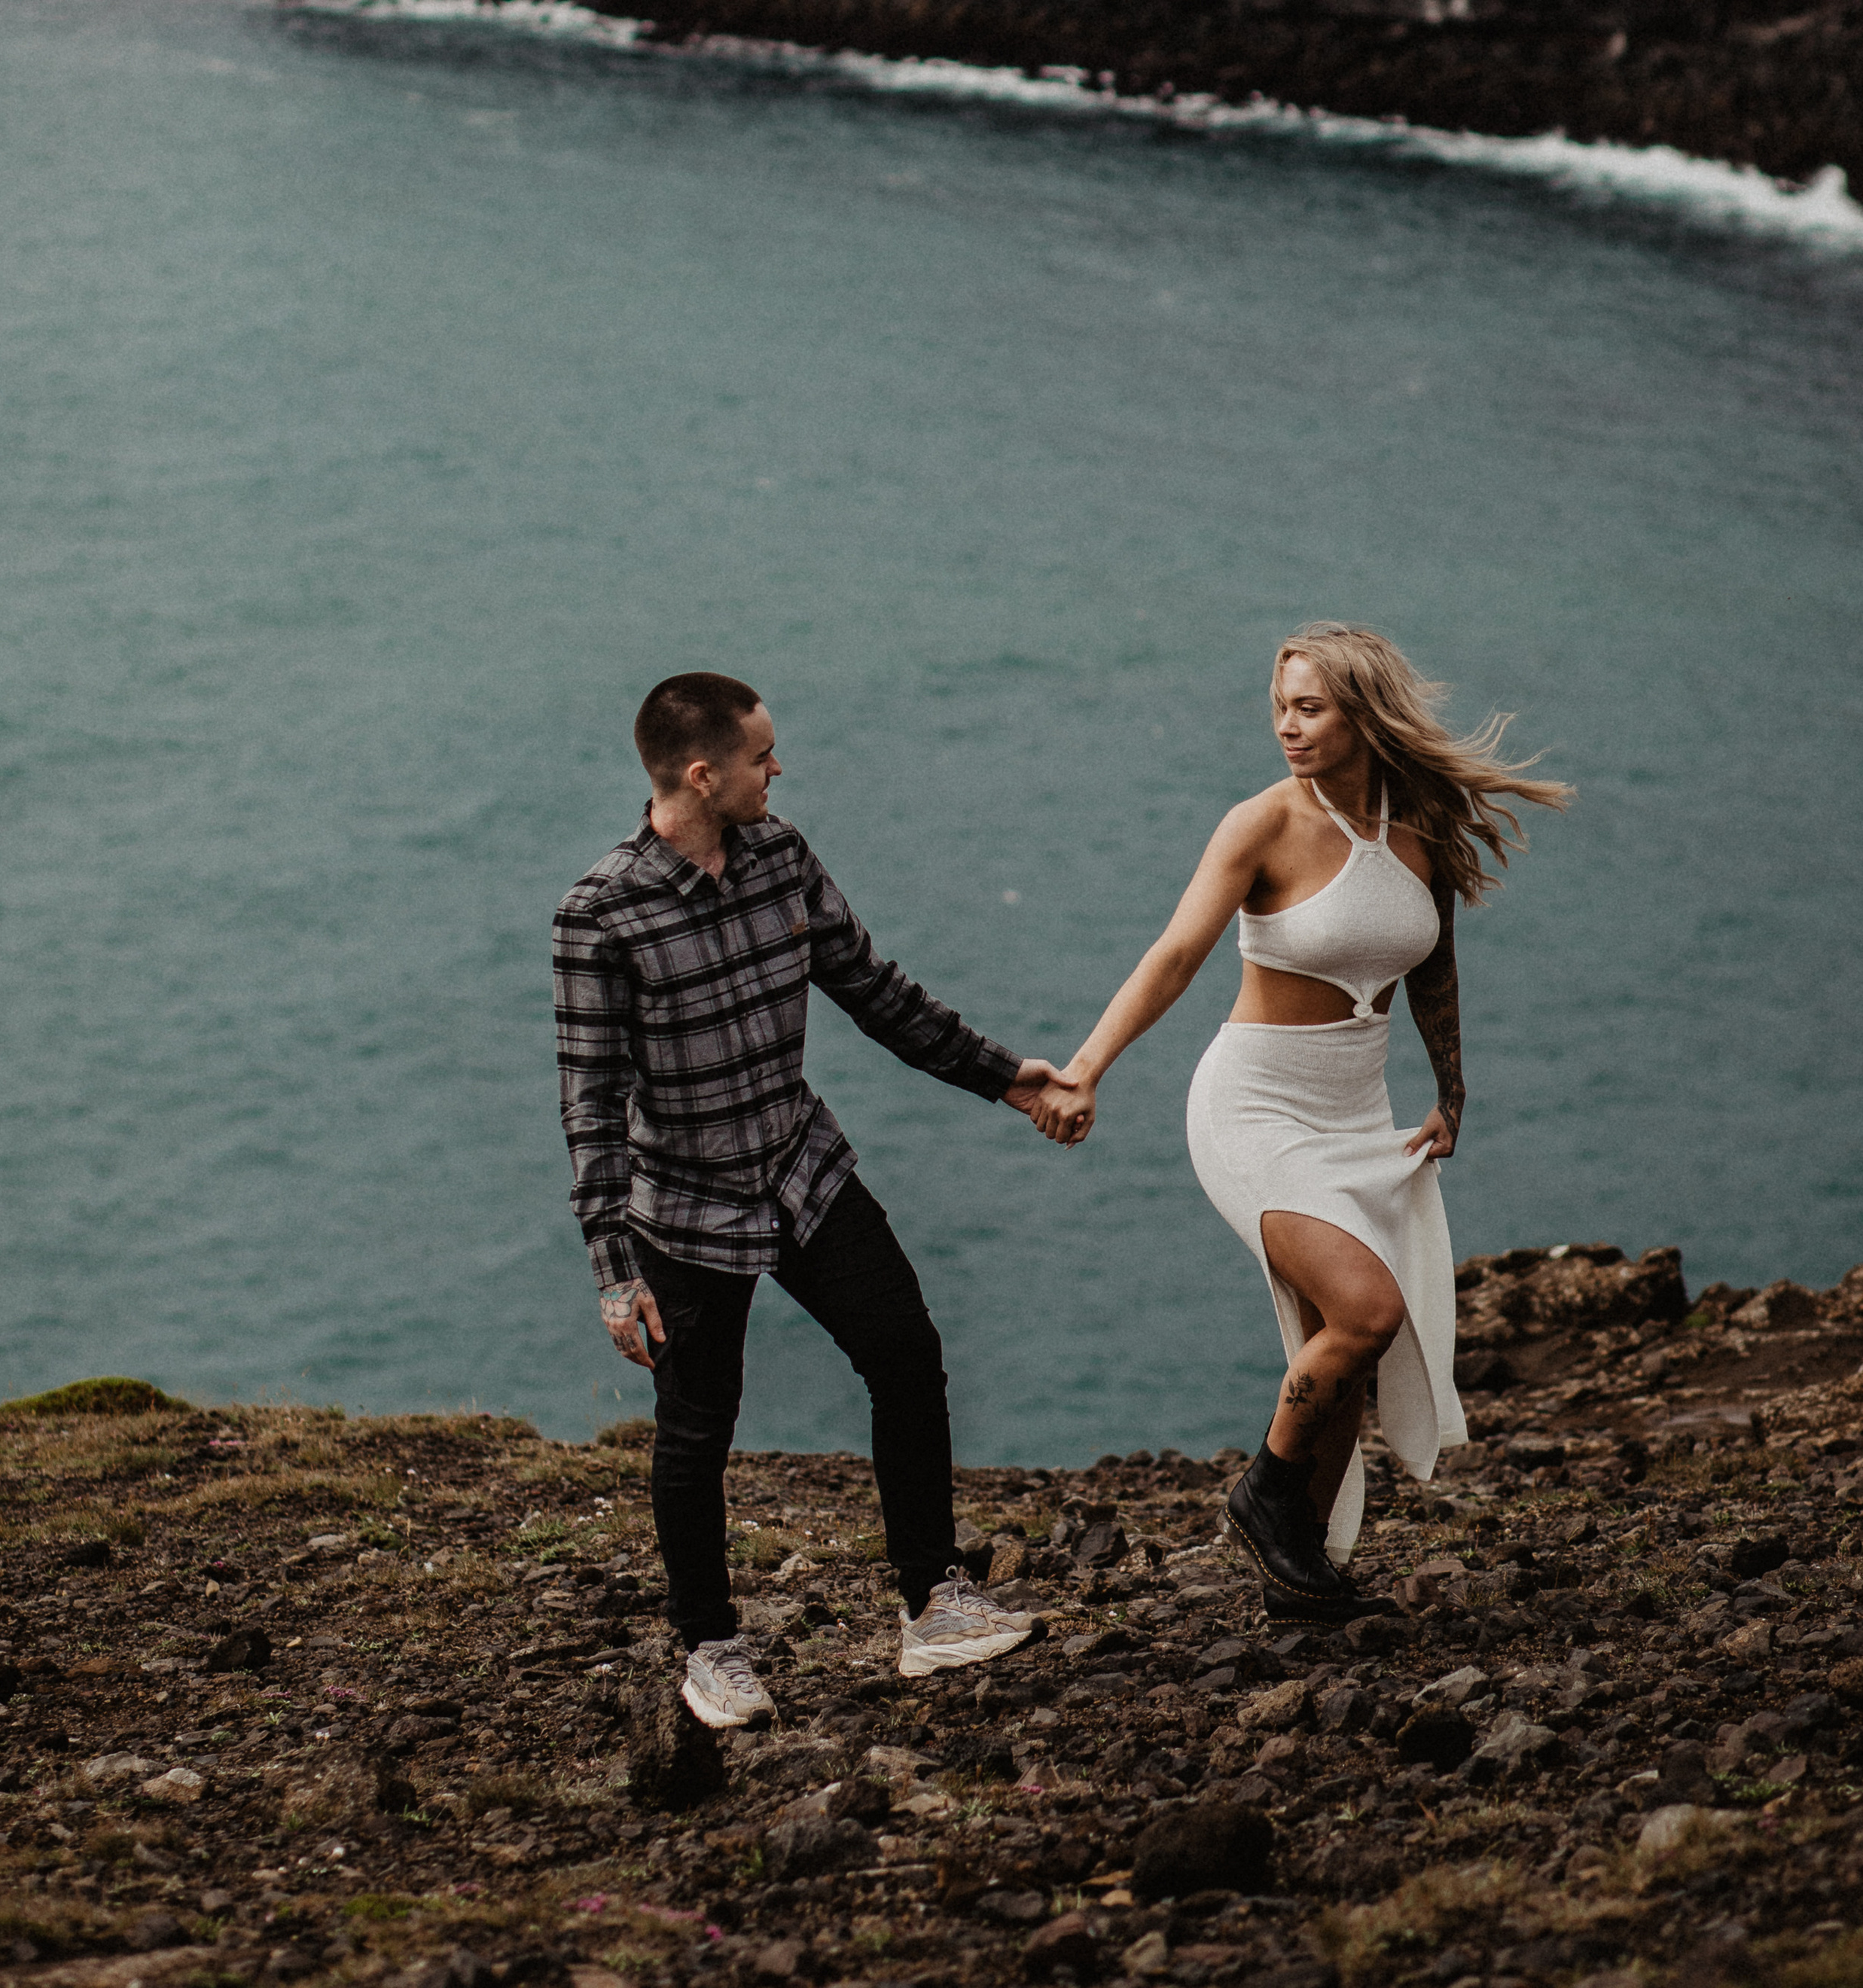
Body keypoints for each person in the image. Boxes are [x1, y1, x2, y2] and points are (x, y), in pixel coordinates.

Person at [556, 672, 1076, 1729]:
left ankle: (935, 1603)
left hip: (802, 1168)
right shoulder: (601, 915)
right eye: (761, 756)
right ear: (703, 775)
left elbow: (874, 990)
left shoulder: (781, 856)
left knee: (906, 1355)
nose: (777, 770)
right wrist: (615, 1272)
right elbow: (592, 1105)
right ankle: (711, 1649)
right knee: (697, 1430)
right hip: (689, 1210)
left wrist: (1004, 1076)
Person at [1033, 622, 1571, 1619]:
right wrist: (1085, 1069)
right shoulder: (1262, 825)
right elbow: (1175, 956)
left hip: (1360, 1118)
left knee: (1343, 1339)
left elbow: (1435, 967)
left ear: (1363, 713)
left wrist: (1452, 1095)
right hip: (1254, 1108)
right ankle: (1266, 1497)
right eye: (1280, 705)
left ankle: (1305, 1576)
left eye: (1310, 707)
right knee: (1367, 1312)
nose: (1287, 725)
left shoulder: (1422, 826)